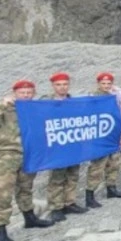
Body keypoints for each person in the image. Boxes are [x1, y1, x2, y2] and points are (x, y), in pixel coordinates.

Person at [0, 80, 54, 241]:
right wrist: (1, 106)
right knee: (3, 192)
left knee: (26, 188)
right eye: (22, 93)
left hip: (28, 154)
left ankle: (29, 218)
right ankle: (0, 230)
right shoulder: (3, 109)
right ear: (15, 93)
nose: (25, 96)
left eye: (29, 93)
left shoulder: (34, 109)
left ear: (33, 93)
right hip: (6, 155)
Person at [42, 72, 87, 223]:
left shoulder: (74, 102)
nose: (62, 87)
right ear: (53, 86)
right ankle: (56, 207)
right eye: (59, 85)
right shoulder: (45, 103)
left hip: (73, 143)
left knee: (73, 174)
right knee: (57, 177)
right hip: (57, 145)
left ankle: (69, 202)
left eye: (65, 84)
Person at [86, 72, 121, 209]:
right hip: (99, 136)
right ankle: (89, 195)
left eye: (109, 83)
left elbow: (119, 116)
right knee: (97, 166)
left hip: (112, 134)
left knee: (114, 163)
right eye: (103, 83)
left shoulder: (114, 96)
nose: (106, 86)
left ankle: (111, 189)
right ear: (98, 84)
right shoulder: (92, 97)